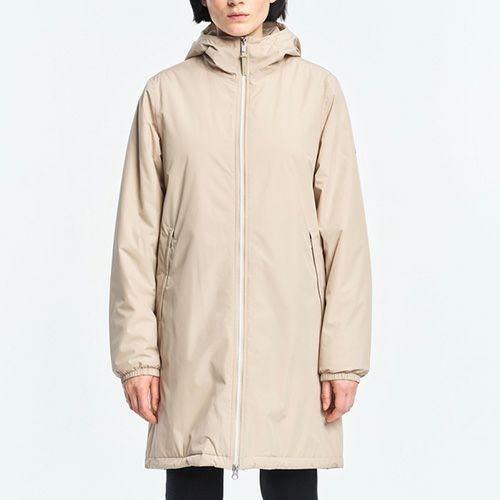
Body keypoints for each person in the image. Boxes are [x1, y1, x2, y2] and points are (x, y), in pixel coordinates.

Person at [108, 1, 372, 498]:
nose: (236, 0)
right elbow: (136, 236)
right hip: (191, 340)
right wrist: (137, 357)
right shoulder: (165, 94)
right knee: (192, 480)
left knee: (292, 483)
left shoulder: (317, 92)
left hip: (292, 343)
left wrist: (342, 359)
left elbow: (343, 234)